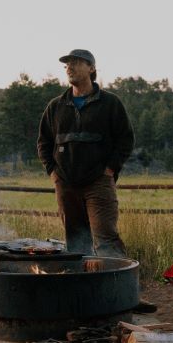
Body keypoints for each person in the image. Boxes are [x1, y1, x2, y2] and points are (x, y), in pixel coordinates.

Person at [37, 49, 135, 258]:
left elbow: (125, 139)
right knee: (75, 239)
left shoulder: (110, 103)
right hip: (65, 184)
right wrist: (53, 173)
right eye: (67, 65)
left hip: (98, 183)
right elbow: (44, 142)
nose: (69, 68)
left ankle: (117, 284)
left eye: (76, 63)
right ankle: (79, 285)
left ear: (91, 68)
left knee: (106, 237)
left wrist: (110, 170)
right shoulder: (56, 106)